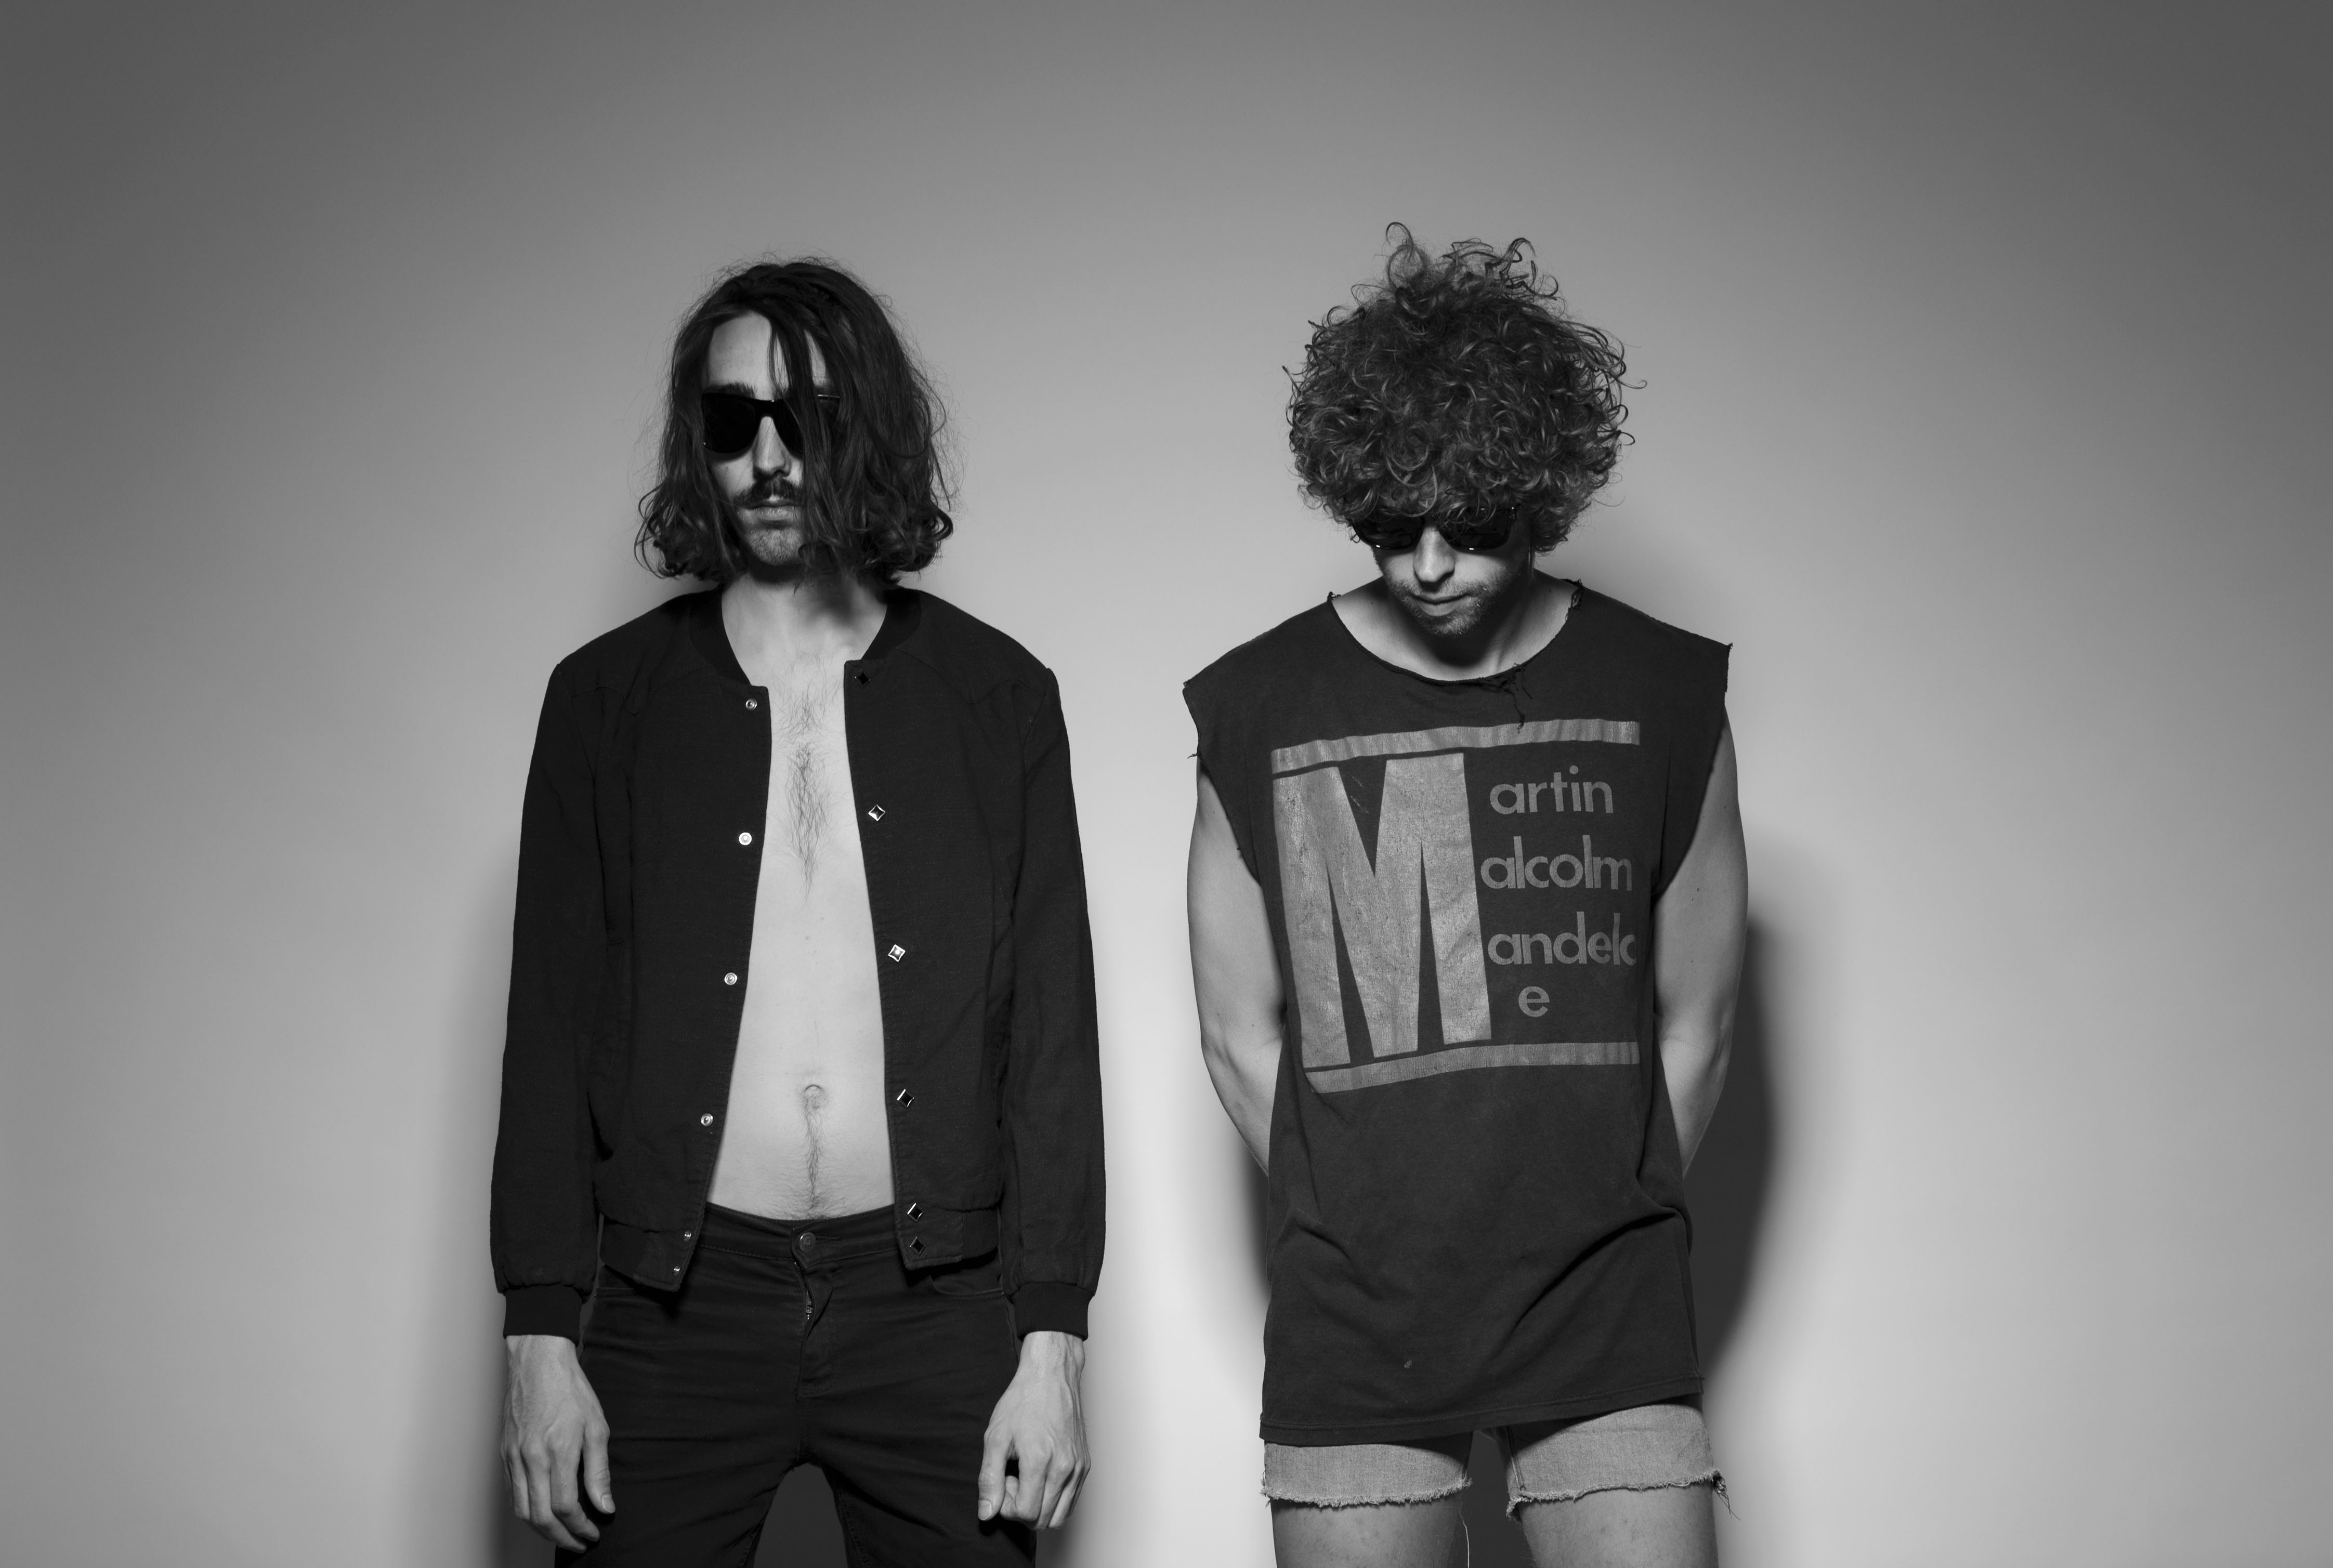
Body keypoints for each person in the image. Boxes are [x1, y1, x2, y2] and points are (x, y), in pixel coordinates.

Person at [492, 257, 1104, 1565]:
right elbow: (550, 1026)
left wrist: (1054, 1345)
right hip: (677, 1303)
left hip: (934, 1307)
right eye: (733, 423)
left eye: (807, 420)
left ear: (866, 428)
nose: (769, 459)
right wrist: (538, 1334)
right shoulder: (604, 702)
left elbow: (1052, 1041)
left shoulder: (999, 698)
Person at [1183, 231, 1745, 1568]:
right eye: (1394, 529)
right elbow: (1238, 1032)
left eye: (1471, 526)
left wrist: (1595, 1193)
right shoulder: (1259, 703)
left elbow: (1701, 1021)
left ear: (1538, 492)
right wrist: (1361, 1208)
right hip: (1357, 1316)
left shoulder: (1665, 692)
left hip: (1607, 1306)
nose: (1430, 566)